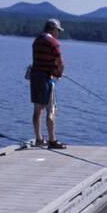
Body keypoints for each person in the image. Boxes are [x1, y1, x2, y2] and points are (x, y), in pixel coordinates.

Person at [30, 18, 67, 149]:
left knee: (37, 109)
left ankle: (39, 139)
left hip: (35, 77)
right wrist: (58, 74)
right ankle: (52, 140)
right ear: (53, 29)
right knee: (51, 109)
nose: (58, 33)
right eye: (58, 30)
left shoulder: (36, 41)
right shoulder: (53, 42)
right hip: (46, 79)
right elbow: (60, 63)